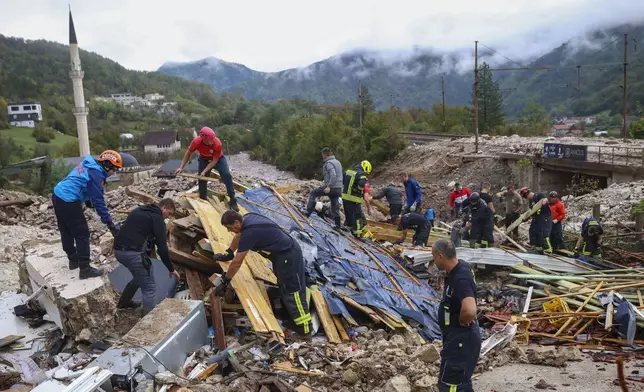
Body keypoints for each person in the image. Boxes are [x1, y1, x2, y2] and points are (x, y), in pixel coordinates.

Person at [213, 211, 311, 336]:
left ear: (237, 222)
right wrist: (229, 253)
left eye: (229, 228)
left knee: (292, 291)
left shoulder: (251, 232)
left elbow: (238, 262)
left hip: (289, 256)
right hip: (281, 255)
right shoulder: (247, 219)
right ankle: (293, 321)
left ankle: (305, 330)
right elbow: (238, 236)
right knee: (283, 286)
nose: (229, 231)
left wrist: (226, 280)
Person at [52, 150, 122, 279]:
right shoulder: (96, 174)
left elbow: (84, 184)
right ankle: (85, 268)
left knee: (65, 229)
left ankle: (73, 260)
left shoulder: (89, 166)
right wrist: (109, 222)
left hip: (58, 194)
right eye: (115, 169)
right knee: (82, 233)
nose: (114, 173)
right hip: (69, 200)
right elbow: (98, 200)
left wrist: (88, 202)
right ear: (108, 165)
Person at [113, 199, 180, 314]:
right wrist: (171, 269)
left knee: (140, 276)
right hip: (133, 254)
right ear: (163, 207)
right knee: (149, 287)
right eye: (169, 213)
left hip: (118, 251)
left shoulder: (139, 210)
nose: (168, 217)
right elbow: (162, 249)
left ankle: (124, 303)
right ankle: (148, 319)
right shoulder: (157, 219)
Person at [432, 239, 481, 392]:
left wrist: (463, 319)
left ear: (441, 256)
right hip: (457, 339)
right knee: (460, 384)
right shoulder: (459, 268)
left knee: (451, 386)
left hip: (461, 340)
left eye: (434, 257)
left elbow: (470, 310)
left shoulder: (460, 278)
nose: (434, 261)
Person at [175, 127, 238, 211]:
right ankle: (203, 199)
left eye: (213, 139)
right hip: (204, 159)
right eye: (210, 140)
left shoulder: (217, 143)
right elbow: (188, 153)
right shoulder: (196, 142)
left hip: (218, 159)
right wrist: (181, 167)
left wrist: (205, 171)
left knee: (226, 175)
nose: (212, 141)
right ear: (204, 138)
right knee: (201, 179)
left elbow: (214, 160)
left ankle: (233, 199)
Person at [305, 148, 342, 227]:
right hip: (338, 189)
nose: (322, 156)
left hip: (331, 188)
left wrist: (328, 186)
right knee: (335, 206)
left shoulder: (329, 163)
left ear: (324, 155)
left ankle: (307, 213)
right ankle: (338, 226)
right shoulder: (338, 162)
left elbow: (333, 175)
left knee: (313, 193)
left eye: (322, 155)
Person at [341, 160, 372, 237]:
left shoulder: (349, 171)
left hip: (345, 197)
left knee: (348, 215)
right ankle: (357, 234)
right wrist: (358, 189)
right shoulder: (362, 174)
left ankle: (349, 230)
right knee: (357, 217)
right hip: (354, 198)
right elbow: (361, 184)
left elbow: (343, 181)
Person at [520, 187, 553, 254]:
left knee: (544, 233)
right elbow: (532, 212)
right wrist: (526, 218)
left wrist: (543, 202)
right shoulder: (531, 201)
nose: (526, 198)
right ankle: (538, 247)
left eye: (525, 197)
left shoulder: (539, 195)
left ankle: (548, 248)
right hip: (537, 217)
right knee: (534, 231)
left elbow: (545, 199)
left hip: (545, 216)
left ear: (527, 194)